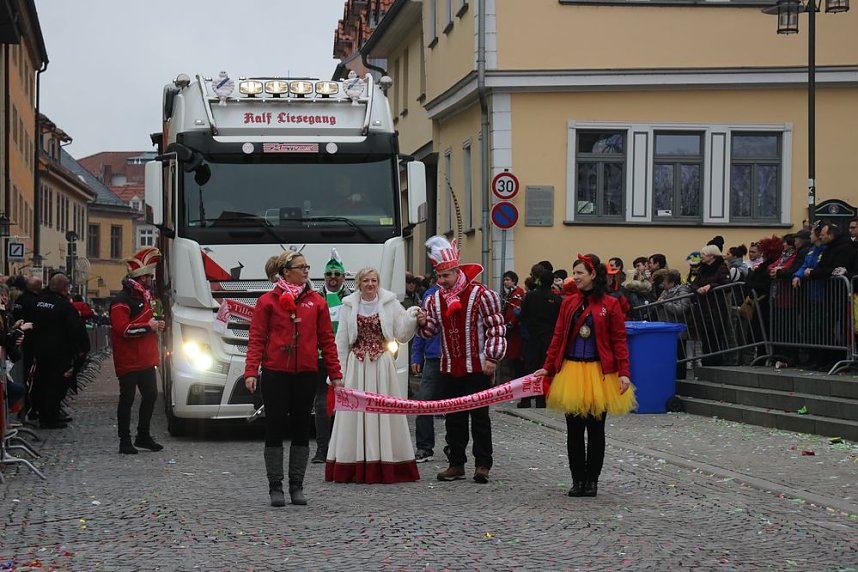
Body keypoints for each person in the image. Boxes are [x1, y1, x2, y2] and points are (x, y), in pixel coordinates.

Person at [244, 249, 342, 507]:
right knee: (275, 428)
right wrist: (251, 371)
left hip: (307, 374)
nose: (307, 271)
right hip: (276, 374)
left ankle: (296, 486)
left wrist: (336, 374)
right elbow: (256, 338)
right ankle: (275, 486)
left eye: (307, 267)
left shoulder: (316, 302)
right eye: (302, 267)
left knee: (301, 428)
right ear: (286, 272)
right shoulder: (267, 301)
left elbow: (327, 341)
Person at [535, 254, 636, 498]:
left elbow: (618, 340)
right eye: (574, 272)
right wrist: (548, 366)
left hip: (599, 373)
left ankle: (592, 481)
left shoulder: (610, 304)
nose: (575, 277)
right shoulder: (568, 303)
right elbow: (558, 336)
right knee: (574, 431)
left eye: (580, 272)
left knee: (596, 430)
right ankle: (577, 480)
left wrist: (624, 373)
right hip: (572, 370)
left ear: (593, 275)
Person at [416, 236, 506, 484]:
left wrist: (492, 357)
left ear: (457, 271)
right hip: (449, 366)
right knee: (454, 418)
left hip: (477, 367)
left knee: (479, 417)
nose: (441, 281)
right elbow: (431, 330)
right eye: (439, 277)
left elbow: (495, 327)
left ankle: (482, 464)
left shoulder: (480, 294)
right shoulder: (435, 299)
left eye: (446, 276)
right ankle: (456, 463)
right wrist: (423, 323)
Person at [325, 267, 421, 483]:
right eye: (366, 280)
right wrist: (336, 374)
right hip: (356, 367)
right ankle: (353, 463)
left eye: (374, 280)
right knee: (354, 414)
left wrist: (412, 315)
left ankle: (386, 461)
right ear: (359, 283)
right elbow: (341, 342)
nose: (370, 284)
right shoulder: (349, 305)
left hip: (381, 366)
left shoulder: (390, 302)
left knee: (384, 412)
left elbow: (402, 334)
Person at [110, 248, 165, 453]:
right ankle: (124, 440)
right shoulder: (121, 301)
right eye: (149, 276)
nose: (151, 279)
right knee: (127, 400)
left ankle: (143, 435)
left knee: (150, 397)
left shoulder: (146, 297)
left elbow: (148, 322)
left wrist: (158, 325)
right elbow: (123, 330)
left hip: (145, 359)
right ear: (141, 278)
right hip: (129, 360)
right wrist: (149, 327)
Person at [34, 273, 90, 429]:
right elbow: (76, 328)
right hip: (59, 352)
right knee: (57, 385)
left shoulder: (40, 302)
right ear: (65, 288)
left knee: (42, 383)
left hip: (40, 350)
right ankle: (50, 418)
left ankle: (45, 415)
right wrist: (84, 348)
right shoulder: (64, 306)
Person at [312, 248, 351, 464]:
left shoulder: (351, 299)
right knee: (320, 404)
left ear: (344, 277)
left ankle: (342, 449)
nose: (333, 279)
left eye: (337, 275)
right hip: (319, 358)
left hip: (343, 357)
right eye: (329, 275)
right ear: (324, 277)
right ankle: (322, 449)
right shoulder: (316, 298)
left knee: (345, 403)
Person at [518, 268, 562, 408]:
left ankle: (525, 400)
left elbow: (523, 315)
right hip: (549, 337)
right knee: (545, 368)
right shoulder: (556, 299)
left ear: (539, 280)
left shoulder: (530, 296)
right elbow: (559, 319)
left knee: (529, 368)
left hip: (532, 336)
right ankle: (541, 400)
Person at [411, 278, 441, 462]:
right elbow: (420, 327)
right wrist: (417, 355)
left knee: (455, 404)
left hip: (454, 358)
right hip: (433, 357)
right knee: (423, 402)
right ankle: (424, 446)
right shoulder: (430, 296)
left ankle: (453, 448)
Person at [690, 245, 731, 366]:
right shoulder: (702, 269)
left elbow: (727, 284)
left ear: (712, 256)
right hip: (703, 306)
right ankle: (707, 361)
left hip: (716, 306)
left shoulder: (721, 268)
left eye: (703, 254)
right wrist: (697, 289)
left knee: (716, 335)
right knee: (705, 335)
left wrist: (711, 286)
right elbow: (694, 283)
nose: (701, 256)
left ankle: (716, 362)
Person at [499, 270, 525, 385]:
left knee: (515, 357)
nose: (505, 282)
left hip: (514, 330)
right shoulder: (509, 292)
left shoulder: (517, 293)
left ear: (514, 281)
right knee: (511, 356)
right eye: (504, 280)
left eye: (508, 280)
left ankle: (517, 381)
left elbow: (516, 310)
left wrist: (510, 324)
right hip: (510, 329)